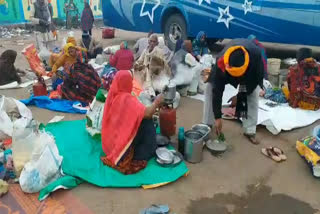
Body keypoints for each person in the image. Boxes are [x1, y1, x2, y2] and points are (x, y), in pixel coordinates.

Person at [101, 70, 163, 174]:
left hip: (109, 146)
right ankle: (144, 153)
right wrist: (157, 102)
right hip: (122, 153)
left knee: (138, 118)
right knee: (147, 122)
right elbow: (147, 113)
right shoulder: (126, 99)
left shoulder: (113, 95)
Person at [204, 39, 264, 145]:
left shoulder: (256, 57)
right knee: (209, 87)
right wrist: (218, 117)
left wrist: (239, 96)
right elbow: (217, 92)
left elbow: (255, 81)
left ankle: (250, 130)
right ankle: (207, 124)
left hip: (249, 77)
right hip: (225, 71)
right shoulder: (221, 62)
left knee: (253, 94)